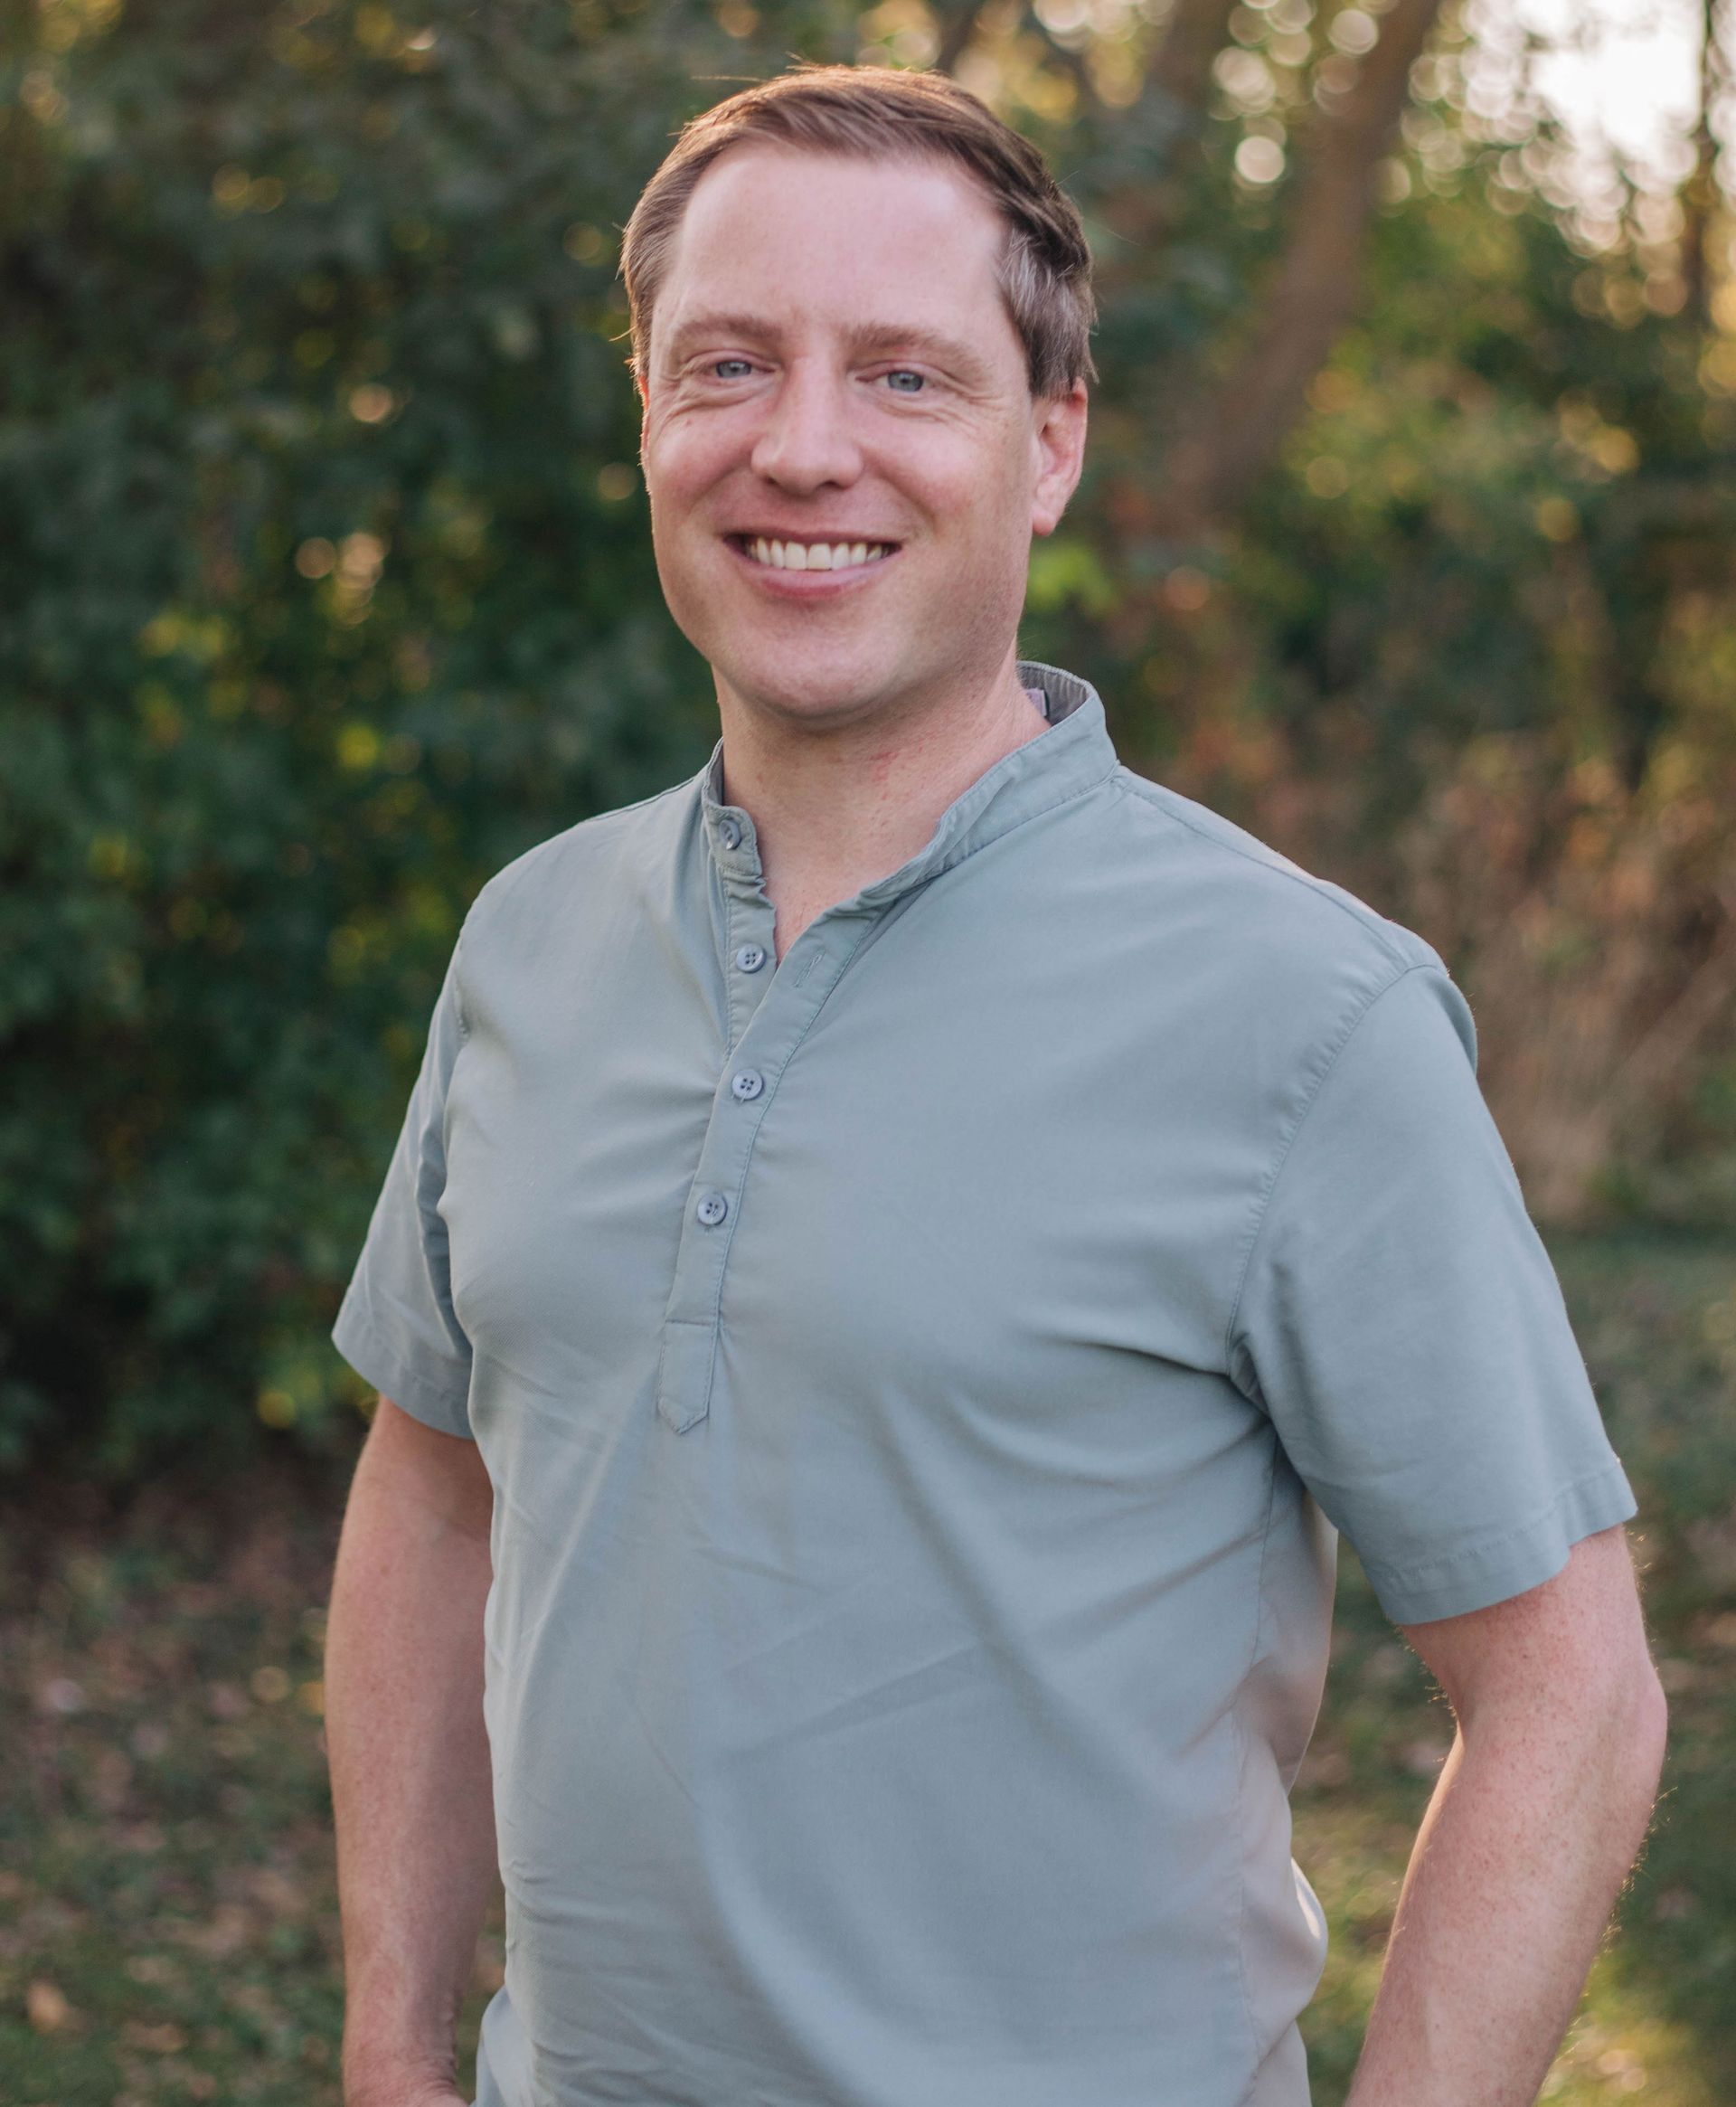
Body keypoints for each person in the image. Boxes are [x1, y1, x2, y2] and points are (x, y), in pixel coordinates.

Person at [322, 62, 1666, 2107]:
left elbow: (1570, 1688)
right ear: (652, 424)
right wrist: (392, 2043)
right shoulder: (532, 940)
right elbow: (432, 1491)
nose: (803, 446)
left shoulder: (1304, 1011)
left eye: (905, 377)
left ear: (1050, 448)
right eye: (729, 365)